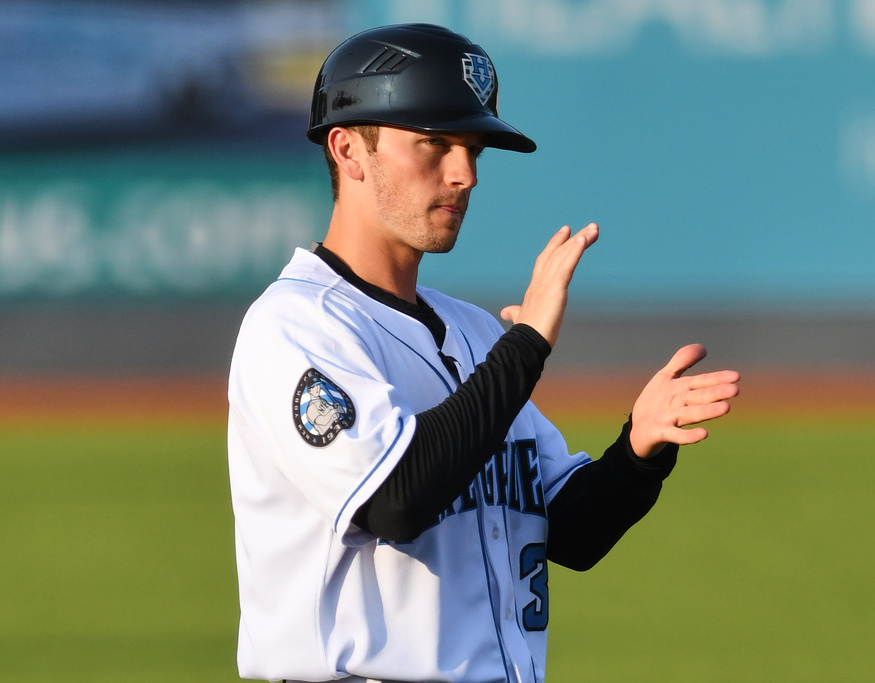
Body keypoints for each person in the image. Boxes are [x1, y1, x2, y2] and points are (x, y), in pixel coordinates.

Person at [227, 23, 740, 683]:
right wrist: (526, 347)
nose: (464, 173)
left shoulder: (470, 333)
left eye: (472, 148)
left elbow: (571, 531)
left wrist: (637, 451)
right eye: (435, 144)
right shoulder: (296, 327)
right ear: (348, 148)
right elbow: (395, 498)